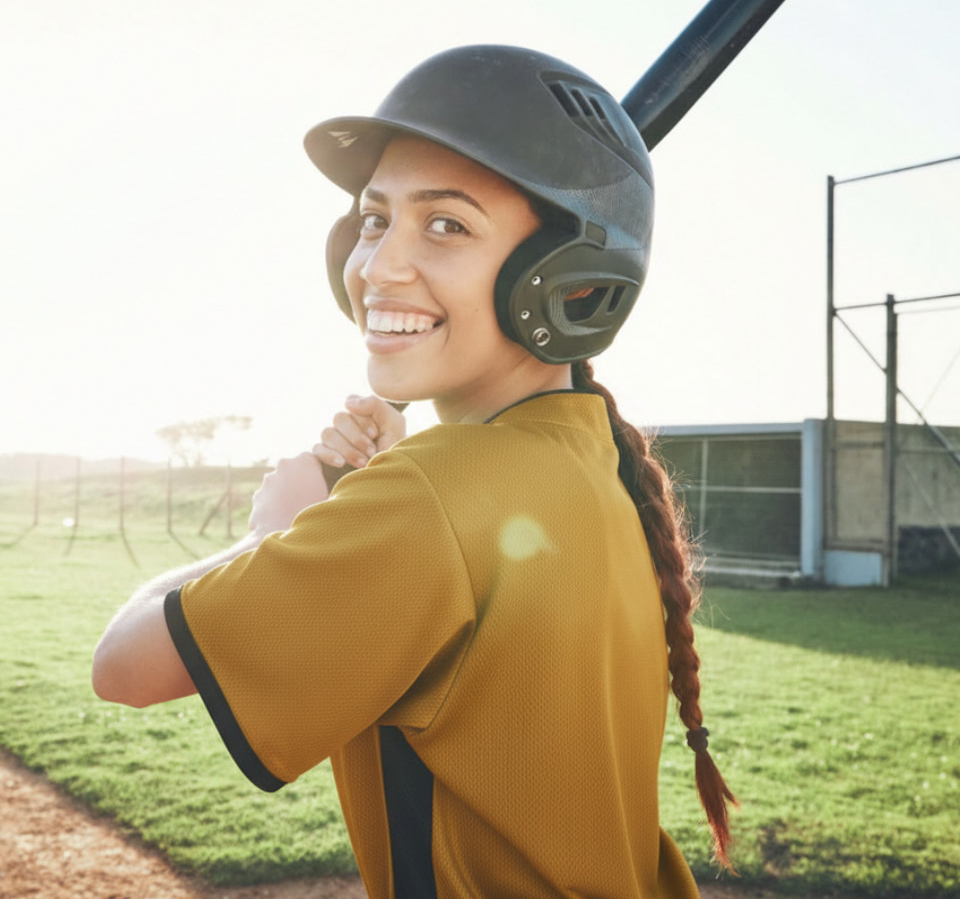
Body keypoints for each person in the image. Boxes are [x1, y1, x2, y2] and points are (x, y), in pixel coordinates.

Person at [93, 44, 736, 898]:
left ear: (574, 285)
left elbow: (125, 667)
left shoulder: (436, 492)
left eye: (447, 224)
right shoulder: (596, 456)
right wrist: (383, 498)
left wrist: (274, 532)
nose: (378, 266)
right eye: (372, 218)